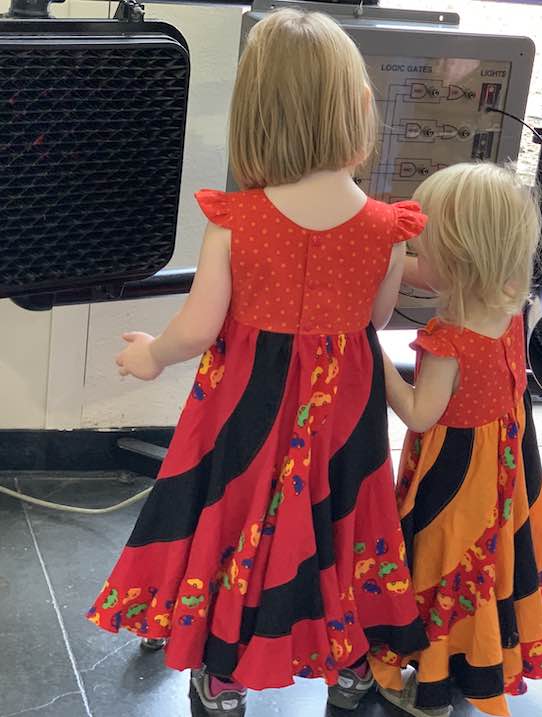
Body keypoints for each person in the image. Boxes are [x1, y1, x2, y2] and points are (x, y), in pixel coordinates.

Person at [85, 9, 429, 716]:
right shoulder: (386, 227)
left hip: (244, 409)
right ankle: (349, 666)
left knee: (235, 519)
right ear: (360, 109)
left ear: (256, 116)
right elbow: (375, 321)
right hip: (343, 414)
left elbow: (199, 326)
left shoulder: (236, 220)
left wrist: (151, 356)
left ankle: (221, 674)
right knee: (345, 523)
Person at [371, 163, 542, 716]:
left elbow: (419, 414)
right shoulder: (506, 300)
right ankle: (478, 658)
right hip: (502, 466)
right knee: (485, 567)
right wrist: (389, 256)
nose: (419, 254)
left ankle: (435, 687)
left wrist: (368, 351)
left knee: (445, 565)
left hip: (455, 477)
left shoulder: (448, 341)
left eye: (427, 246)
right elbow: (437, 274)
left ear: (460, 261)